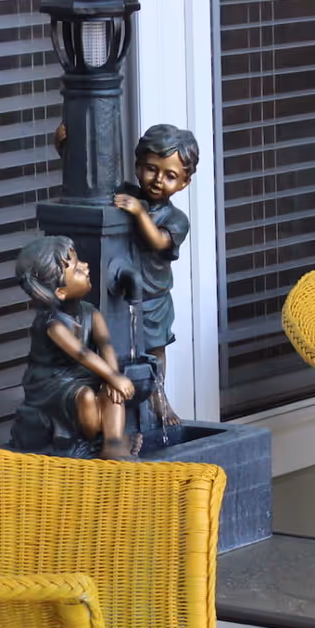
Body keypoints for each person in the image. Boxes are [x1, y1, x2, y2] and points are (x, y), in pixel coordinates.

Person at [9, 236, 136, 459]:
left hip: (83, 373)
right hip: (53, 381)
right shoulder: (53, 325)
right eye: (76, 269)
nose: (86, 267)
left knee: (110, 391)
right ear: (60, 292)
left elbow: (105, 346)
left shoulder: (91, 313)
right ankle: (93, 435)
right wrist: (112, 377)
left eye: (80, 262)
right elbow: (82, 353)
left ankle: (114, 442)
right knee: (87, 397)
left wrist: (113, 377)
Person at [112, 124, 198, 426]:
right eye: (151, 169)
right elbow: (95, 184)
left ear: (184, 183)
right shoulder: (127, 196)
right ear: (138, 166)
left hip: (154, 298)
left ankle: (158, 395)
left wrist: (138, 214)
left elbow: (158, 241)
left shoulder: (176, 220)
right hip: (120, 296)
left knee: (155, 349)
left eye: (170, 175)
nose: (158, 180)